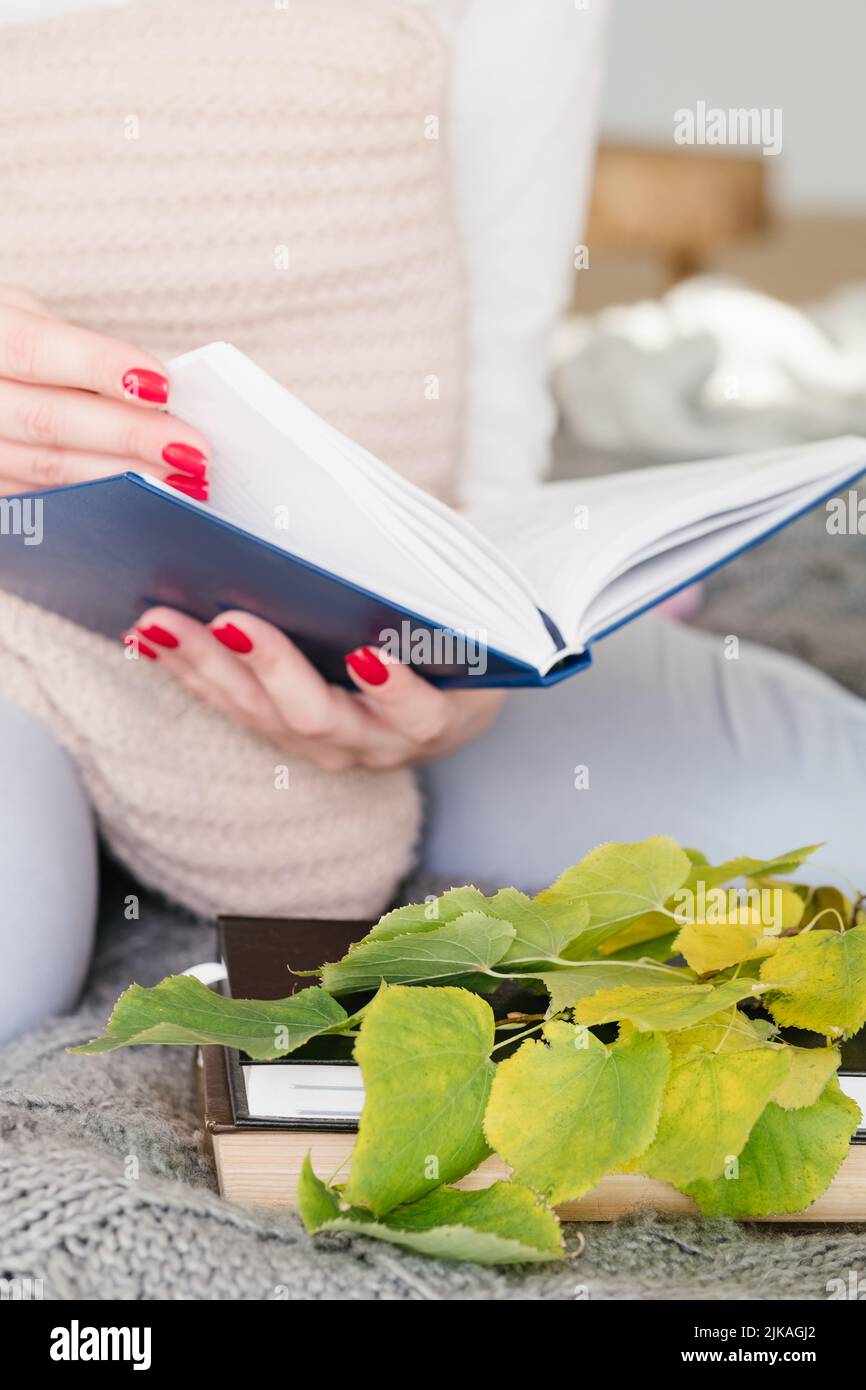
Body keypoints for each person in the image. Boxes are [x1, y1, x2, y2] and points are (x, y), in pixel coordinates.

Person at [0, 0, 864, 1044]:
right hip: (20, 604)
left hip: (364, 625)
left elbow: (499, 379)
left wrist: (471, 654)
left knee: (829, 837)